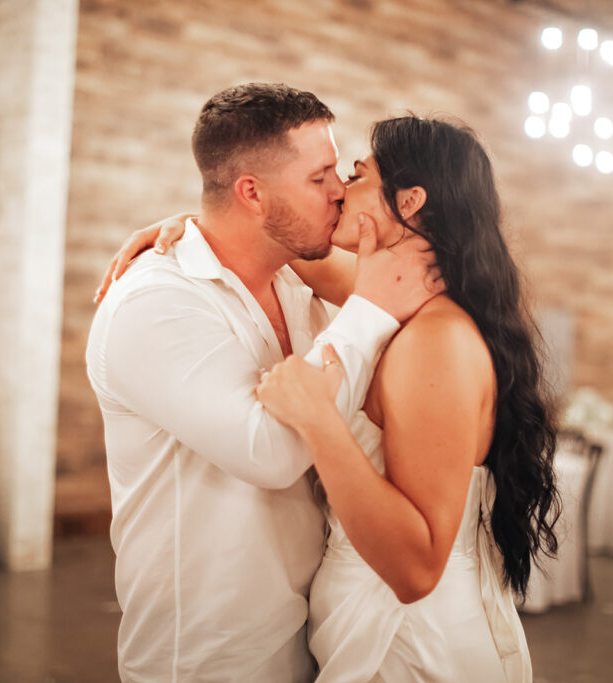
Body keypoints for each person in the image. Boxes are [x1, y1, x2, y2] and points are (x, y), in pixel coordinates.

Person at [102, 115, 560, 682]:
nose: (341, 189)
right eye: (328, 177)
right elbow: (269, 239)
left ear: (410, 201)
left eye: (356, 174)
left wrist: (320, 422)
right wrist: (196, 225)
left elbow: (417, 569)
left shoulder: (435, 339)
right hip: (350, 620)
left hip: (410, 636)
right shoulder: (393, 296)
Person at [86, 84, 441, 682]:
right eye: (319, 177)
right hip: (211, 654)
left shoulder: (298, 286)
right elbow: (274, 452)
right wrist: (372, 310)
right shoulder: (153, 303)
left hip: (314, 631)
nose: (340, 192)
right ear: (251, 192)